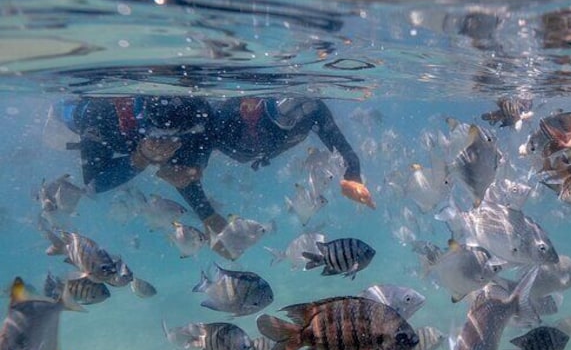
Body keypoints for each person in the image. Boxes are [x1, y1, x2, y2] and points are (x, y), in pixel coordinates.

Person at [209, 96, 375, 218]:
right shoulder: (222, 119)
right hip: (238, 147)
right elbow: (199, 135)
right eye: (247, 106)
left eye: (255, 105)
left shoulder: (298, 111)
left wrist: (353, 173)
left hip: (257, 152)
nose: (251, 108)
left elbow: (329, 129)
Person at [61, 95, 217, 222]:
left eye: (177, 133)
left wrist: (195, 166)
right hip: (71, 119)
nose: (164, 141)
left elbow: (206, 136)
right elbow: (92, 183)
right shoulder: (100, 114)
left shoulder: (198, 110)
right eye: (155, 132)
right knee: (61, 127)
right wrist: (140, 158)